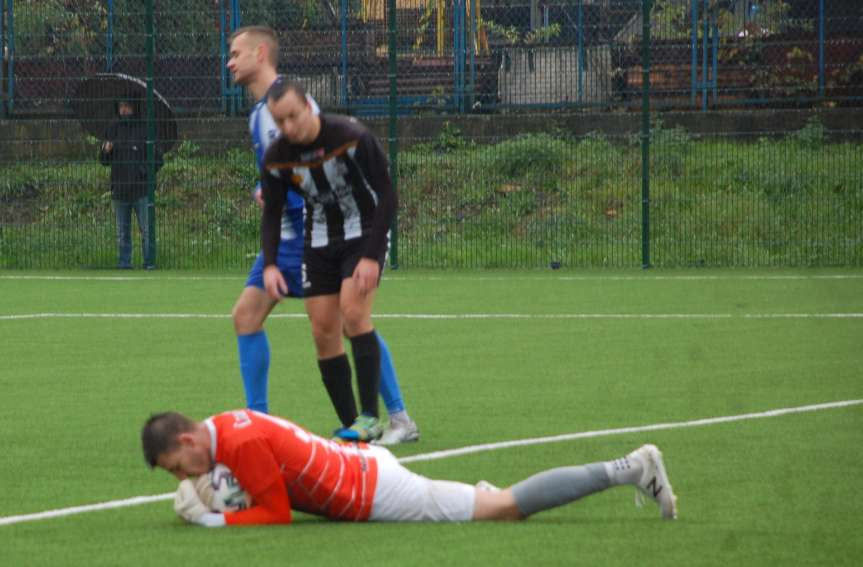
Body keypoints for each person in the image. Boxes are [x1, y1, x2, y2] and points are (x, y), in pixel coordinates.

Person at [225, 26, 418, 444]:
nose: (230, 61)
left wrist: (299, 198)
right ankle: (266, 420)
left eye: (237, 52)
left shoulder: (291, 106)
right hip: (300, 235)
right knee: (253, 317)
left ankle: (394, 416)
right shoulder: (264, 112)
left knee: (352, 319)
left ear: (261, 53)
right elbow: (283, 176)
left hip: (315, 231)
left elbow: (325, 166)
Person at [141, 409, 678, 526]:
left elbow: (277, 516)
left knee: (506, 508)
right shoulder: (222, 430)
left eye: (178, 467)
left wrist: (213, 519)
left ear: (188, 440)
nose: (184, 477)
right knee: (486, 499)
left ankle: (629, 467)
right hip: (363, 466)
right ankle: (470, 493)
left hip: (377, 492)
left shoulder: (241, 442)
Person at [99, 99, 162, 270]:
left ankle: (149, 262)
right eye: (121, 106)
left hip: (141, 190)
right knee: (122, 232)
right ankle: (124, 263)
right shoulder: (112, 129)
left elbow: (158, 159)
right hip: (119, 189)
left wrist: (143, 172)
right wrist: (106, 151)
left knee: (147, 230)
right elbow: (103, 161)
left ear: (134, 108)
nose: (124, 110)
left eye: (127, 106)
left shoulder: (145, 130)